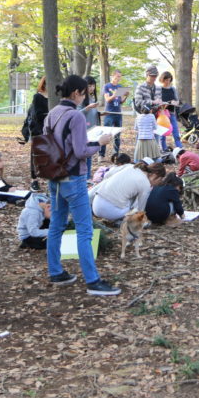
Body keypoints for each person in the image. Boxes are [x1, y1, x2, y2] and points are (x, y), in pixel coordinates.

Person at [42, 74, 119, 295]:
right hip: (73, 178)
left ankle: (56, 272)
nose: (85, 97)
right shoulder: (75, 116)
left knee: (56, 225)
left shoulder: (52, 114)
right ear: (76, 93)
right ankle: (93, 281)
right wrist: (99, 143)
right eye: (84, 93)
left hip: (54, 177)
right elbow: (80, 151)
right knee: (84, 230)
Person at [90, 160, 165, 221]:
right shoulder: (145, 184)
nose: (158, 183)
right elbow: (140, 210)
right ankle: (121, 221)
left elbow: (108, 174)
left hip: (96, 203)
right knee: (133, 209)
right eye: (160, 180)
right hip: (110, 211)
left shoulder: (132, 167)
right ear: (155, 175)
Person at [25, 76, 50, 190]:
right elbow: (38, 115)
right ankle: (34, 180)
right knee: (36, 155)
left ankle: (50, 177)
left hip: (51, 131)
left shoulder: (55, 97)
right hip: (38, 130)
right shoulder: (38, 97)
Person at [101, 69, 125, 158]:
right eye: (118, 76)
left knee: (117, 135)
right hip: (109, 113)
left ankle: (115, 155)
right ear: (113, 76)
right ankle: (101, 155)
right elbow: (107, 99)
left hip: (118, 113)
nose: (119, 78)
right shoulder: (107, 86)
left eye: (120, 76)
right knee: (106, 133)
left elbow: (121, 101)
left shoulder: (120, 86)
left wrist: (126, 95)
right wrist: (114, 94)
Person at [158, 71, 183, 150]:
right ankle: (163, 148)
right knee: (163, 132)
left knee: (175, 130)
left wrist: (174, 102)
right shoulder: (159, 89)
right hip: (162, 113)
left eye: (169, 80)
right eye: (166, 80)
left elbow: (178, 101)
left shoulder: (173, 89)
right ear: (162, 80)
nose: (167, 82)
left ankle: (179, 147)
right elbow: (157, 101)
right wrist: (164, 104)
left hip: (171, 113)